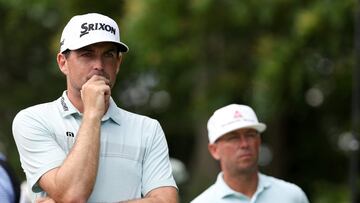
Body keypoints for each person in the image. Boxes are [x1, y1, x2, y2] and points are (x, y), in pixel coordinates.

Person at [12, 13, 178, 203]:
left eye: (108, 54)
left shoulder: (148, 128)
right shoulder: (33, 120)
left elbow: (166, 201)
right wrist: (92, 113)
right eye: (87, 54)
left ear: (118, 63)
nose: (99, 65)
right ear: (63, 63)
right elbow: (72, 195)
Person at [191, 104, 309, 203]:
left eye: (250, 135)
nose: (244, 144)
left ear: (259, 141)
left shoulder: (292, 197)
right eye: (233, 138)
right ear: (214, 150)